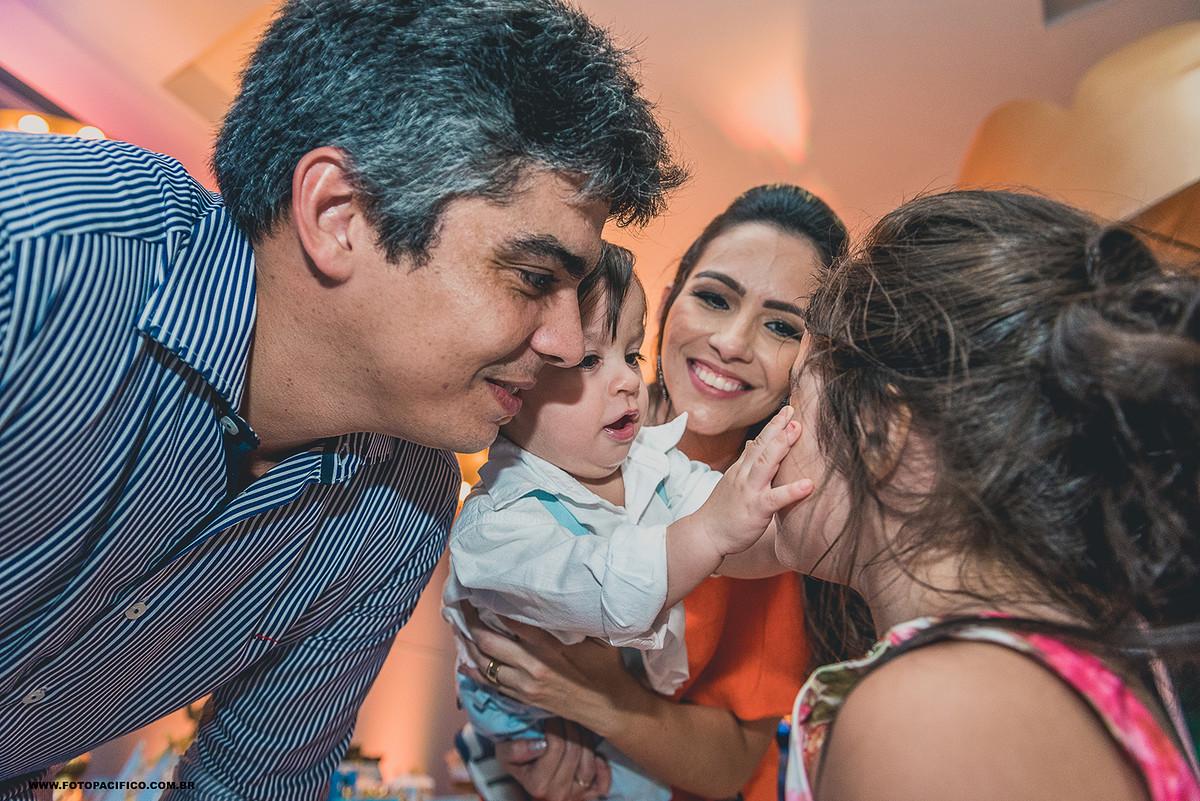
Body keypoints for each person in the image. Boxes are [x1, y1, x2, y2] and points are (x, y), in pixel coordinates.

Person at [0, 1, 684, 798]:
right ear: (339, 215)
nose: (568, 344)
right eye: (534, 278)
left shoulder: (402, 509)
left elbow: (251, 783)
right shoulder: (41, 259)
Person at [771, 189, 1200, 800]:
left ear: (879, 431)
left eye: (793, 397)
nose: (773, 432)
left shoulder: (938, 715)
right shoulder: (1072, 655)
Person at [457, 185, 847, 801]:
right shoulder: (520, 492)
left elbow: (728, 766)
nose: (733, 342)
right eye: (715, 298)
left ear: (808, 363)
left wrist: (595, 698)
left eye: (780, 326)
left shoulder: (684, 482)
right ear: (669, 303)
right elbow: (503, 633)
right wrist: (521, 730)